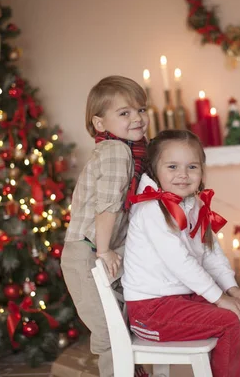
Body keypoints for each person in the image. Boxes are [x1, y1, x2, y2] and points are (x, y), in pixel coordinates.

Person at [122, 129, 240, 377]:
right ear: (155, 170)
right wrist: (219, 299)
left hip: (180, 300)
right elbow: (181, 263)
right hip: (151, 312)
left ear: (202, 171)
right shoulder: (151, 210)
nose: (183, 175)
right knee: (230, 320)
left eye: (192, 167)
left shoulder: (193, 204)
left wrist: (231, 289)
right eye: (172, 167)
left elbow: (211, 253)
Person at [61, 75, 149, 377]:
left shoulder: (129, 151)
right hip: (87, 253)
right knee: (110, 333)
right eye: (124, 113)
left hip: (99, 249)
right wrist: (104, 251)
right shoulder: (116, 151)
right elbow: (108, 204)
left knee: (121, 328)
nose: (137, 118)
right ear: (100, 124)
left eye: (140, 109)